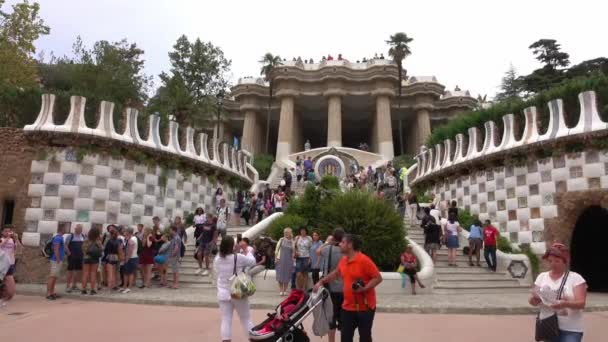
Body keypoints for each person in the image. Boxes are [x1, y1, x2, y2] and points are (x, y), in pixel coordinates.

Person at [314, 234, 382, 342]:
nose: (339, 244)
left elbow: (378, 278)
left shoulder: (364, 260)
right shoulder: (344, 260)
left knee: (365, 338)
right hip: (347, 308)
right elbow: (336, 273)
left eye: (342, 242)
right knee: (345, 338)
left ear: (350, 245)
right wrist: (321, 281)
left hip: (365, 308)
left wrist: (364, 289)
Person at [529, 243, 587, 342]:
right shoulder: (542, 277)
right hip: (549, 326)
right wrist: (535, 299)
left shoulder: (576, 278)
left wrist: (565, 304)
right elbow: (532, 302)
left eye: (557, 261)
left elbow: (581, 304)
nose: (553, 264)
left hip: (571, 329)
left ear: (565, 261)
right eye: (550, 261)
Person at [214, 236, 256, 342]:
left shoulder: (218, 258)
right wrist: (246, 250)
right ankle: (254, 339)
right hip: (237, 292)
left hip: (223, 293)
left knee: (226, 319)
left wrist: (236, 251)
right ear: (233, 245)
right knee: (245, 318)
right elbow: (252, 262)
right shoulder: (239, 257)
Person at [317, 229, 343, 342]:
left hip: (331, 288)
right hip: (344, 288)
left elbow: (318, 251)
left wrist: (327, 242)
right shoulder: (346, 251)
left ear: (333, 238)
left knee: (331, 317)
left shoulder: (328, 249)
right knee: (345, 319)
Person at [81, 227, 102, 295]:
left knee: (85, 273)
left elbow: (83, 249)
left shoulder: (86, 240)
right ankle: (92, 289)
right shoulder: (98, 241)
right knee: (93, 273)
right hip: (95, 259)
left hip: (86, 258)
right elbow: (101, 249)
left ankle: (83, 289)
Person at [64, 224, 85, 292]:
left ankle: (74, 285)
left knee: (77, 271)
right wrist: (69, 253)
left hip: (80, 256)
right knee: (70, 271)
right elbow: (65, 245)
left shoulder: (83, 236)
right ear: (75, 229)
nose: (80, 230)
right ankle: (67, 286)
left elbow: (85, 246)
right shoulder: (70, 236)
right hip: (72, 256)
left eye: (81, 229)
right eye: (78, 229)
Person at [46, 225, 65, 300]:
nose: (66, 230)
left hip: (57, 259)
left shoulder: (60, 237)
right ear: (61, 229)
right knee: (52, 276)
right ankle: (48, 293)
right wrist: (58, 259)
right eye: (65, 228)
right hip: (55, 260)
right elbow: (56, 249)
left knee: (55, 277)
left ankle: (52, 292)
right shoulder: (57, 238)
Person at [0, 228, 18, 306]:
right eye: (6, 231)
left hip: (9, 265)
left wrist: (16, 239)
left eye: (9, 231)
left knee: (11, 291)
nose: (8, 232)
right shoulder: (1, 239)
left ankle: (2, 299)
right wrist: (7, 238)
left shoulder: (13, 240)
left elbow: (20, 250)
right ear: (2, 232)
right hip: (1, 265)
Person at [275, 227, 295, 296]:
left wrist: (293, 259)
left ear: (290, 233)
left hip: (289, 260)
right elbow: (276, 250)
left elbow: (293, 252)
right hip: (281, 259)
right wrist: (276, 258)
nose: (286, 234)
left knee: (287, 275)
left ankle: (285, 290)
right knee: (280, 274)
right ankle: (280, 290)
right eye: (285, 232)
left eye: (287, 232)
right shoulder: (281, 240)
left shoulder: (292, 241)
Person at [121, 227, 139, 294]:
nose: (124, 233)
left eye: (125, 232)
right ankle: (125, 286)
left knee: (130, 273)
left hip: (131, 258)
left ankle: (129, 287)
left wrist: (127, 258)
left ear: (128, 232)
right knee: (126, 273)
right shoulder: (131, 238)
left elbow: (130, 250)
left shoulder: (132, 239)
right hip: (130, 257)